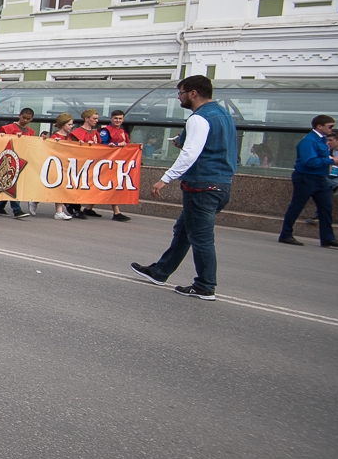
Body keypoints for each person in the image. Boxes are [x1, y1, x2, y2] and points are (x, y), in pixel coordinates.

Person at [131, 76, 239, 300]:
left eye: (180, 93)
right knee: (184, 231)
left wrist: (165, 178)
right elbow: (215, 146)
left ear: (193, 93)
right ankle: (160, 272)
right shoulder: (224, 114)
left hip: (202, 185)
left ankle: (205, 285)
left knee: (201, 237)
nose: (179, 98)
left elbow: (191, 154)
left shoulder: (198, 118)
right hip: (221, 183)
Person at [277, 114, 336, 247]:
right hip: (306, 177)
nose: (332, 129)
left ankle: (327, 238)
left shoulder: (322, 139)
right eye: (330, 126)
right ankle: (286, 234)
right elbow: (309, 161)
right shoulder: (309, 140)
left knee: (326, 207)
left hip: (320, 178)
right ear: (319, 126)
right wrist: (331, 160)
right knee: (297, 206)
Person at [98, 110, 133, 221]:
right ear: (111, 119)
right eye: (116, 118)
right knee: (112, 186)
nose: (118, 120)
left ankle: (88, 208)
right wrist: (117, 145)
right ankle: (116, 212)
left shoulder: (123, 132)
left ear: (123, 120)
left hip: (118, 163)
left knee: (107, 186)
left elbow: (127, 145)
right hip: (107, 163)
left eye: (120, 118)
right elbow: (102, 144)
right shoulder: (105, 131)